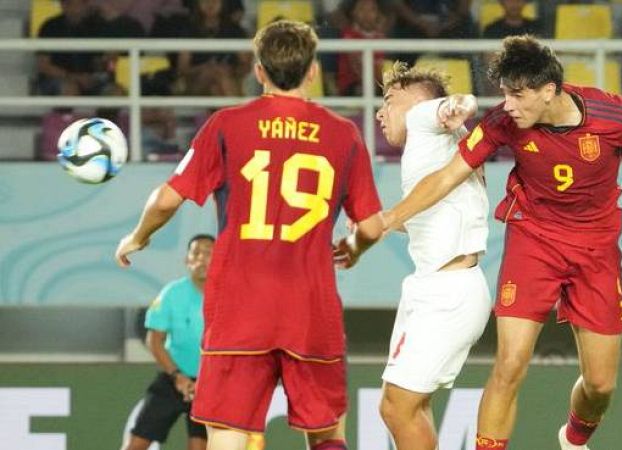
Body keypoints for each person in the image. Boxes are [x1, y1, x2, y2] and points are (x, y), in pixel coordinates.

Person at [381, 35, 622, 450]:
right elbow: (449, 175)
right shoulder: (503, 122)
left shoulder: (612, 114)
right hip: (534, 241)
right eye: (504, 93)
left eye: (517, 95)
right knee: (510, 363)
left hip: (595, 251)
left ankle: (574, 440)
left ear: (548, 91)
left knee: (599, 385)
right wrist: (392, 217)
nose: (508, 104)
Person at [115, 20, 384, 450]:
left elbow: (167, 199)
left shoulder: (227, 125)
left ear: (258, 70)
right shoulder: (343, 134)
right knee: (327, 432)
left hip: (239, 309)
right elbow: (370, 226)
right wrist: (354, 248)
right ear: (313, 70)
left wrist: (139, 235)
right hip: (310, 308)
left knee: (228, 432)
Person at [373, 62, 491, 450]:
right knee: (407, 405)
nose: (379, 112)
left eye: (389, 100)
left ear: (419, 102)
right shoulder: (441, 147)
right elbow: (433, 218)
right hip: (434, 284)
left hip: (448, 291)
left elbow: (459, 102)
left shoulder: (426, 119)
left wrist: (458, 104)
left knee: (396, 407)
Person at [122, 234, 214, 450]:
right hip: (173, 379)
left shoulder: (229, 295)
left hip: (209, 384)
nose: (201, 259)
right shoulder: (171, 294)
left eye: (208, 253)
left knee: (199, 446)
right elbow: (154, 340)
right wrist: (177, 376)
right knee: (136, 444)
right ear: (187, 260)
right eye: (196, 253)